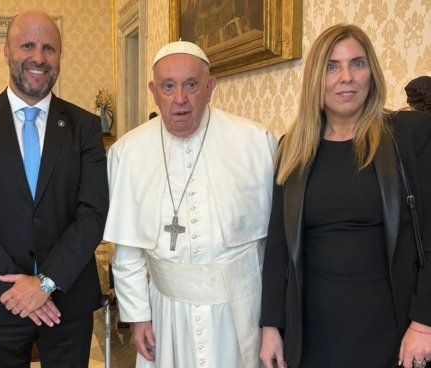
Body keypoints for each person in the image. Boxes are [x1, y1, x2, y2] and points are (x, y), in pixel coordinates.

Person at [260, 24, 431, 368]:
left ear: (372, 72)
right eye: (332, 66)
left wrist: (424, 322)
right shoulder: (292, 149)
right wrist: (270, 325)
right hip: (311, 330)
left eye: (357, 63)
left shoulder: (409, 135)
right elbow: (278, 245)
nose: (346, 77)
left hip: (391, 329)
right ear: (315, 80)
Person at [0, 10, 109, 367]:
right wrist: (16, 288)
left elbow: (93, 212)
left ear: (59, 58)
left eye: (49, 48)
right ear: (6, 52)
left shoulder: (84, 126)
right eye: (27, 46)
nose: (38, 58)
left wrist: (46, 283)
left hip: (66, 303)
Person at [105, 40, 276, 368]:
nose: (179, 99)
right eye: (168, 86)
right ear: (154, 91)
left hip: (241, 312)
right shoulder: (128, 153)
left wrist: (272, 321)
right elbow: (127, 251)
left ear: (210, 88)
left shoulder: (255, 142)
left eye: (191, 85)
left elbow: (272, 247)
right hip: (166, 313)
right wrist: (138, 316)